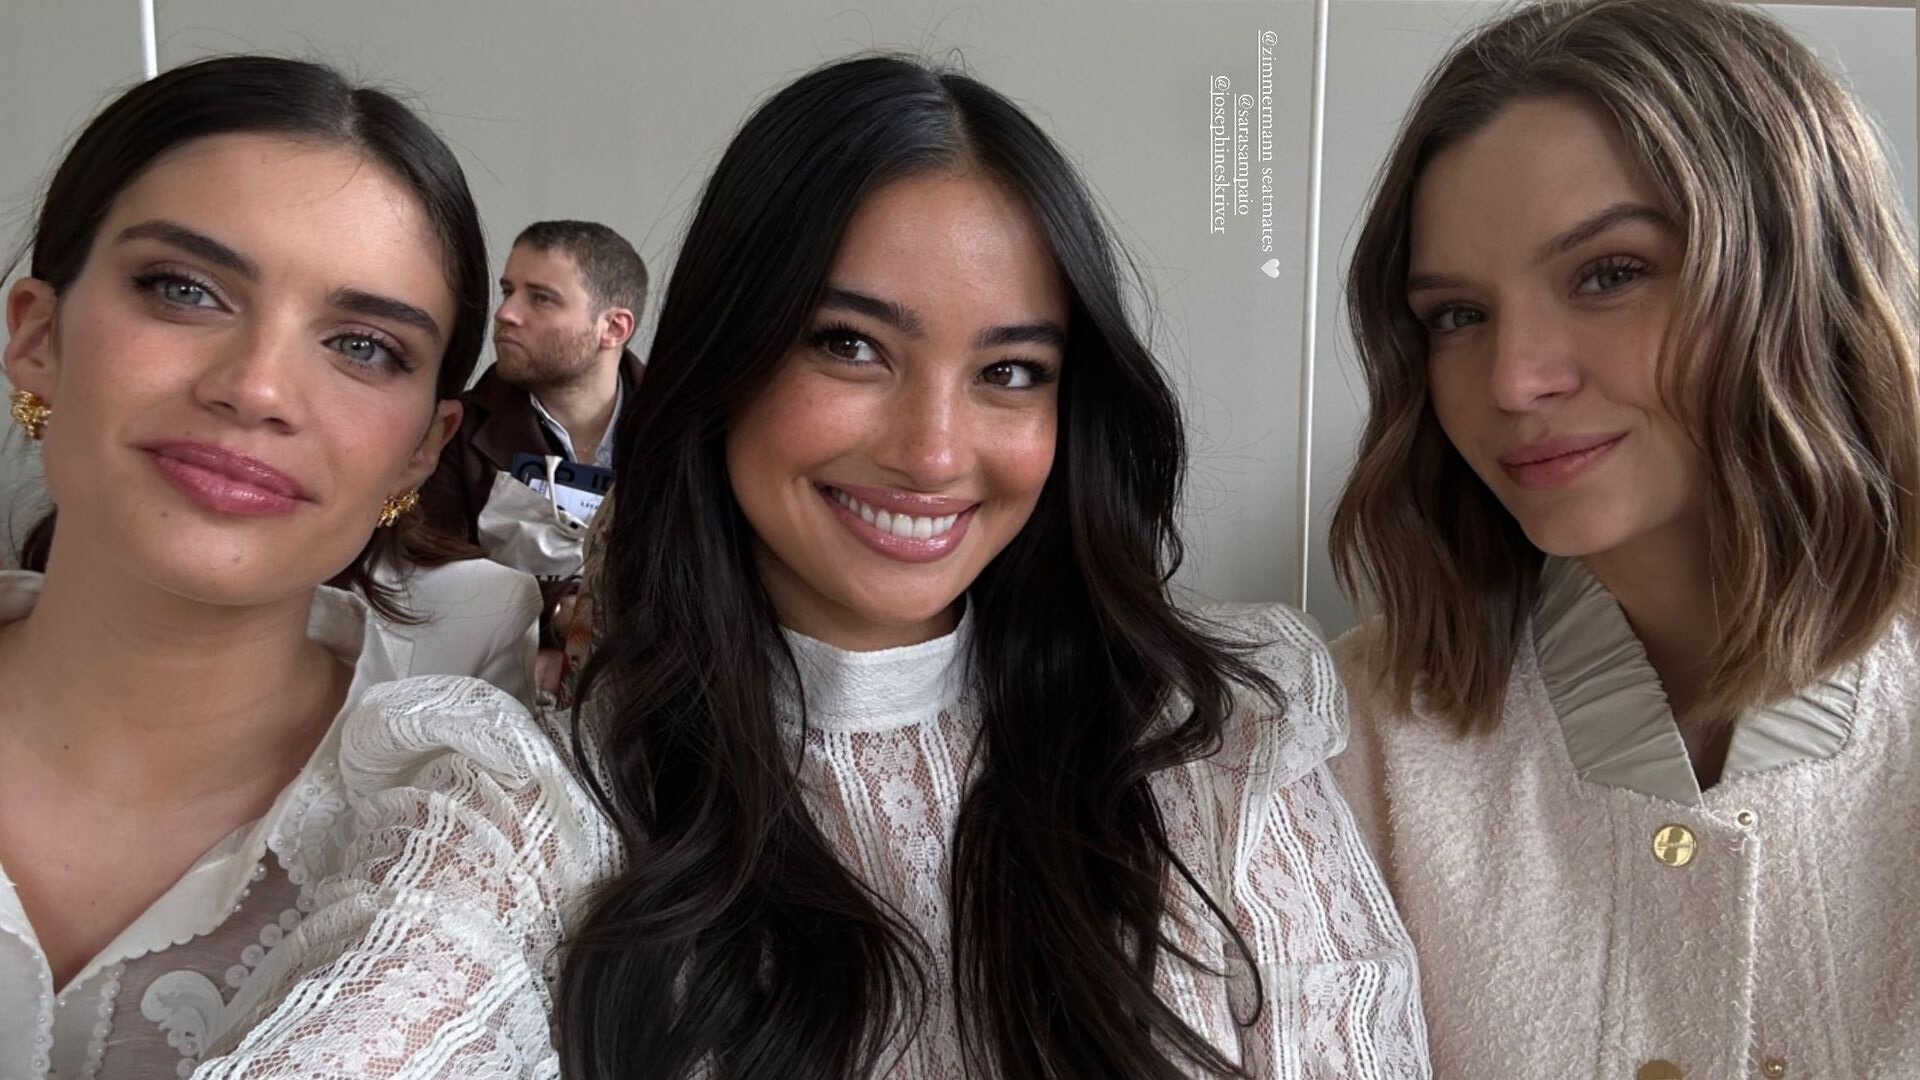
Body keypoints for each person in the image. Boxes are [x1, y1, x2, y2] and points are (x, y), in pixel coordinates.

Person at [556, 55, 1428, 1080]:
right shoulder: (552, 806)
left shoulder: (1217, 752)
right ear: (725, 352)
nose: (933, 454)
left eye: (1010, 371)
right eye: (850, 344)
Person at [1325, 1, 1919, 1075]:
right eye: (1457, 315)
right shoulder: (1344, 744)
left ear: (1797, 273)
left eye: (1609, 274)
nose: (1514, 381)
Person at [0, 55, 608, 1077]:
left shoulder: (472, 818)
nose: (258, 389)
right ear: (37, 337)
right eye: (184, 290)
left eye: (364, 347)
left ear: (423, 448)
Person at [420, 220, 646, 653]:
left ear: (614, 328)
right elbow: (432, 575)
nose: (505, 313)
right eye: (508, 291)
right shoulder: (455, 432)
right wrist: (557, 612)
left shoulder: (685, 438)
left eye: (541, 298)